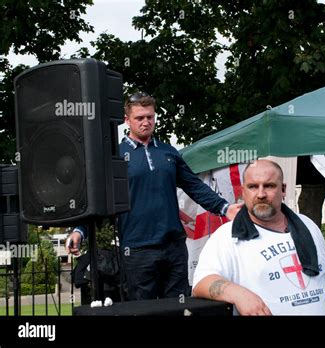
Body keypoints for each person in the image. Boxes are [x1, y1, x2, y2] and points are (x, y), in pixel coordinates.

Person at [66, 92, 242, 301]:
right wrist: (80, 230)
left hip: (174, 247)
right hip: (137, 249)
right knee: (143, 311)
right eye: (139, 118)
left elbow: (194, 186)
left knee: (178, 308)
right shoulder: (116, 158)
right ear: (127, 120)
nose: (145, 122)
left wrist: (224, 207)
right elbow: (100, 200)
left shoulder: (169, 153)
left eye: (150, 117)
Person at [192, 159, 325, 315]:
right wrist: (240, 295)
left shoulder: (308, 225)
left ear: (283, 189)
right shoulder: (227, 236)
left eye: (269, 186)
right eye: (253, 186)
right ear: (243, 191)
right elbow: (201, 282)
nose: (261, 194)